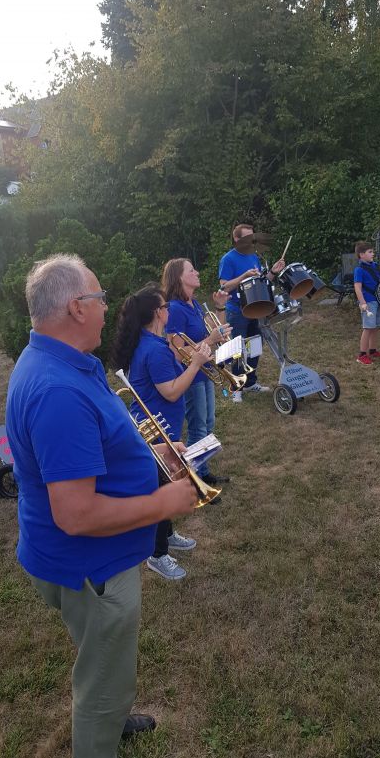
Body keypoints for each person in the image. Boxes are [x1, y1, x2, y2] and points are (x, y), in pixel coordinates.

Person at [5, 254, 197, 758]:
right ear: (76, 307)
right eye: (100, 297)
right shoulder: (57, 390)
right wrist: (162, 501)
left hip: (87, 564)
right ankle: (101, 732)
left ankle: (111, 714)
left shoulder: (61, 360)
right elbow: (76, 515)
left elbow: (94, 442)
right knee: (103, 680)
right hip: (92, 566)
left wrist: (151, 454)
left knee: (104, 657)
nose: (108, 307)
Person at [111, 284, 211, 581]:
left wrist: (183, 359)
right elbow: (171, 391)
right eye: (166, 306)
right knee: (159, 490)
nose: (169, 310)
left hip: (163, 425)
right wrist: (196, 363)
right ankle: (157, 555)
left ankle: (167, 535)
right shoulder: (154, 349)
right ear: (158, 313)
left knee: (166, 483)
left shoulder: (151, 342)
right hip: (156, 429)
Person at [161, 258, 230, 489]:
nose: (197, 272)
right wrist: (210, 340)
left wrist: (220, 308)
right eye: (191, 270)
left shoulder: (194, 304)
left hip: (205, 371)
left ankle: (203, 471)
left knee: (208, 423)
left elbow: (213, 331)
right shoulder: (174, 309)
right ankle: (194, 481)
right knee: (198, 427)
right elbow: (177, 353)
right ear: (179, 278)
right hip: (190, 376)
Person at [218, 223, 286, 403]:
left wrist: (273, 272)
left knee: (255, 347)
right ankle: (237, 387)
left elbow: (262, 281)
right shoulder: (228, 259)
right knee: (238, 350)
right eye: (247, 237)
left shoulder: (253, 256)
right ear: (236, 239)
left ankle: (250, 383)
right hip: (237, 311)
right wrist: (243, 276)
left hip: (256, 309)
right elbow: (224, 286)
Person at [353, 240, 380, 365]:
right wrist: (362, 303)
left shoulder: (374, 266)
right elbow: (357, 287)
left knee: (376, 327)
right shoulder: (359, 270)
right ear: (362, 255)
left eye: (372, 251)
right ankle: (362, 355)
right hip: (368, 301)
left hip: (378, 300)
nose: (373, 254)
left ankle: (372, 350)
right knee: (368, 328)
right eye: (370, 252)